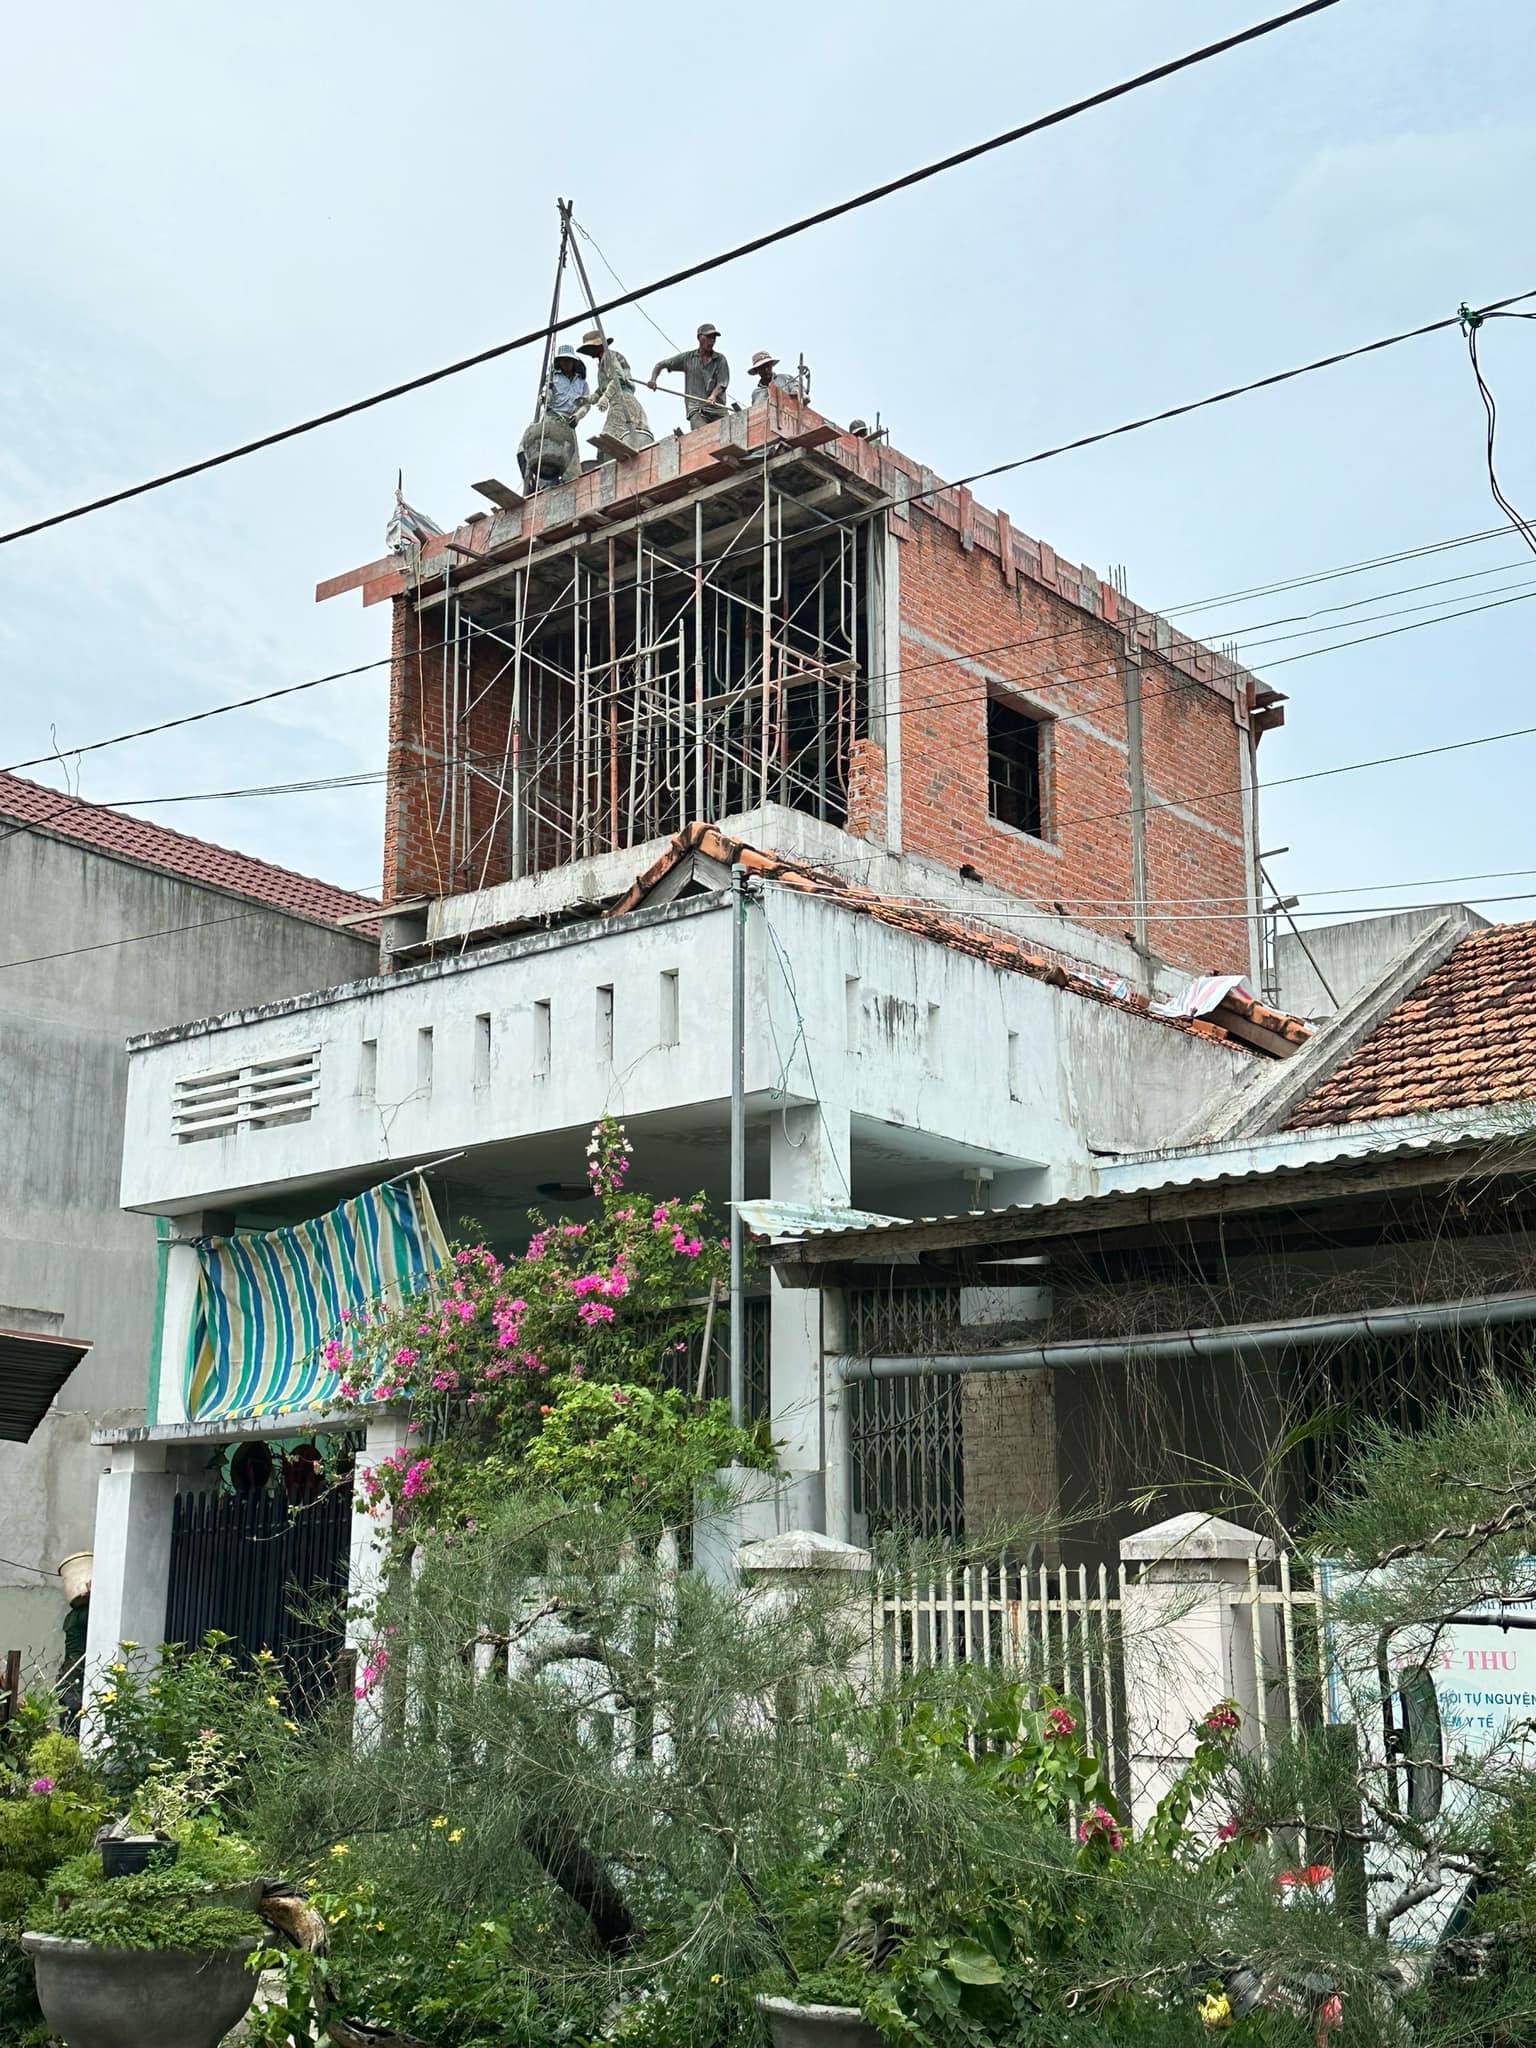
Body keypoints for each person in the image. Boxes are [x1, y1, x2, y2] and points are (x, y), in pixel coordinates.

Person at [577, 328, 654, 452]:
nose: (589, 352)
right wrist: (588, 399)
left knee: (610, 439)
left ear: (597, 346)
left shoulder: (608, 356)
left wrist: (606, 397)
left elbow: (618, 377)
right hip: (620, 401)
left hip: (623, 401)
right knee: (613, 439)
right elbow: (602, 388)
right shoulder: (602, 361)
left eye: (590, 348)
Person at [648, 322, 729, 426]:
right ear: (699, 338)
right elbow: (660, 365)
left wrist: (713, 396)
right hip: (697, 409)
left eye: (714, 338)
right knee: (702, 433)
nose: (711, 341)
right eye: (708, 337)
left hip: (718, 409)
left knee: (728, 429)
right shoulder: (688, 358)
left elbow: (722, 383)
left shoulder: (720, 359)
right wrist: (653, 380)